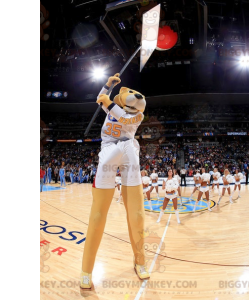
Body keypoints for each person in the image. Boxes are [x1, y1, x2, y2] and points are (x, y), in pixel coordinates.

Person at [81, 73, 149, 288]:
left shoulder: (137, 116)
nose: (136, 98)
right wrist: (108, 85)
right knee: (98, 214)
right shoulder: (112, 104)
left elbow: (124, 118)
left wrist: (108, 103)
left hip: (129, 155)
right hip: (109, 152)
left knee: (137, 214)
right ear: (121, 97)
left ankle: (140, 261)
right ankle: (86, 270)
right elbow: (101, 97)